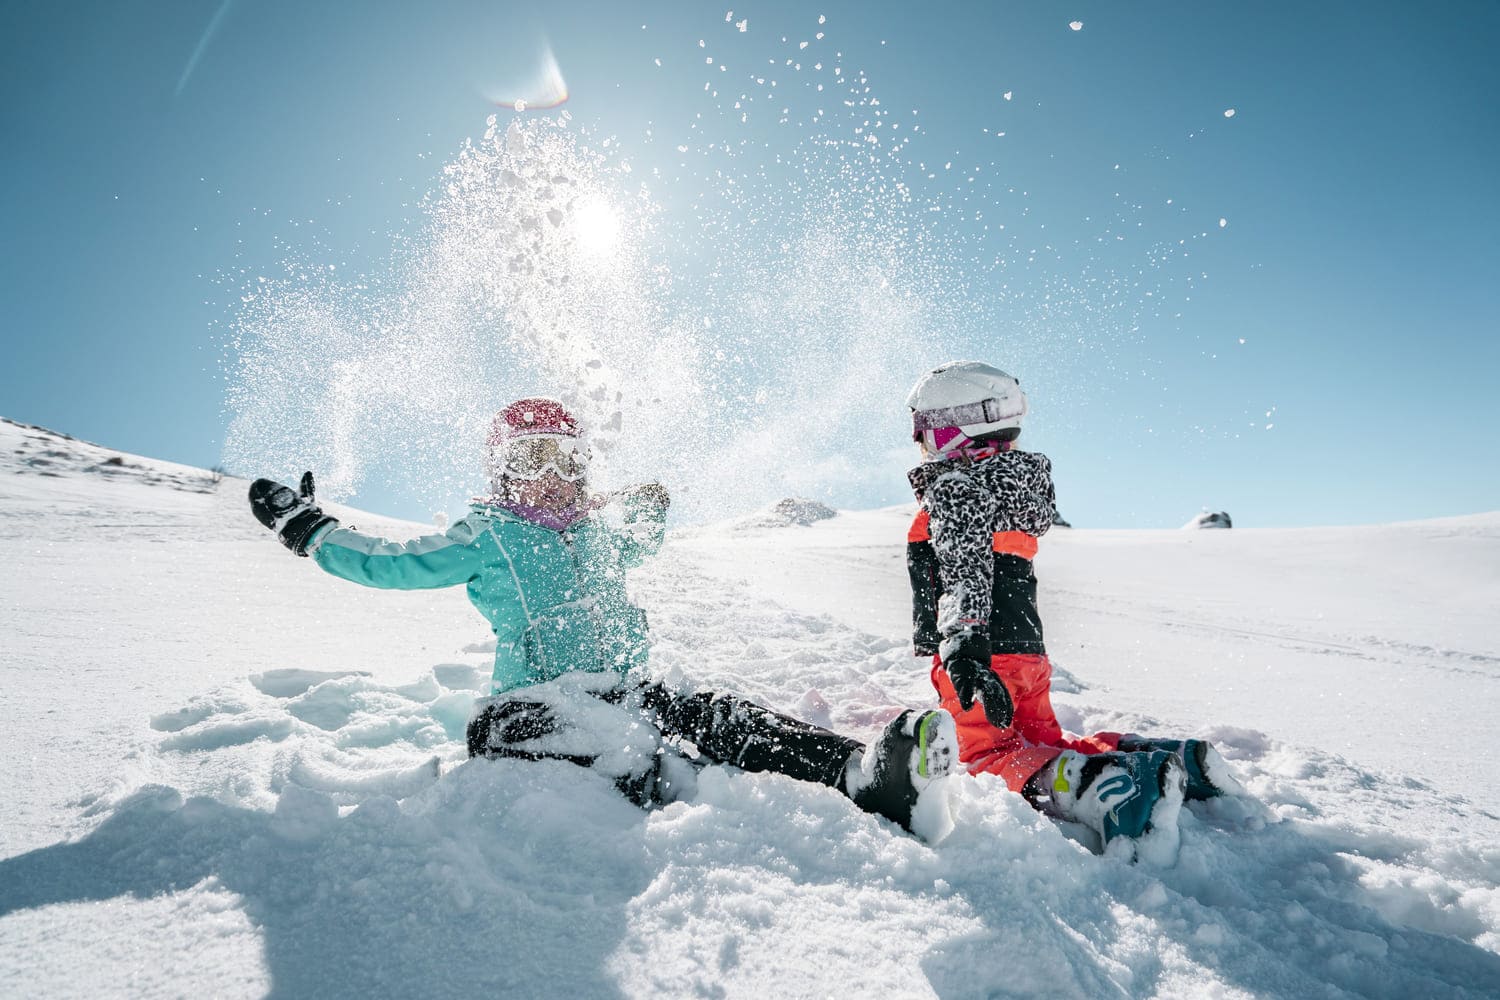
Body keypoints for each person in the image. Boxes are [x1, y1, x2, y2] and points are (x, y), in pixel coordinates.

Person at [248, 397, 956, 835]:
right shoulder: (486, 534)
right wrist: (311, 530)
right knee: (559, 735)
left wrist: (647, 505)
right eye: (530, 458)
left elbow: (639, 541)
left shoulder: (595, 531)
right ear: (502, 471)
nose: (550, 473)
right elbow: (393, 562)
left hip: (624, 692)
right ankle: (649, 779)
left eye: (565, 457)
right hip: (526, 707)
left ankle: (860, 775)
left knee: (711, 712)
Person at [904, 362, 1241, 858]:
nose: (926, 450)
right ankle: (1176, 762)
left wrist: (963, 643)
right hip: (1027, 658)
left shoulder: (956, 489)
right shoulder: (1012, 485)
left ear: (956, 430)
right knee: (1044, 743)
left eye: (927, 437)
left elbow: (964, 569)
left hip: (981, 657)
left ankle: (1107, 786)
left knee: (981, 757)